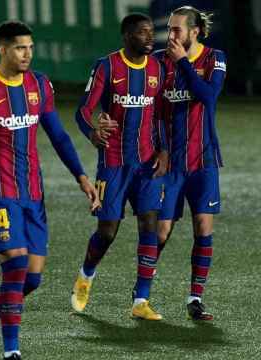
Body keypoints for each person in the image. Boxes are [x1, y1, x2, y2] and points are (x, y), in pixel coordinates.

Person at [0, 21, 99, 360]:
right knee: (15, 267)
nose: (27, 54)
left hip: (33, 192)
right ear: (2, 49)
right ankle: (12, 352)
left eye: (30, 47)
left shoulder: (39, 85)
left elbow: (58, 135)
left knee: (31, 279)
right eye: (19, 48)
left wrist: (81, 177)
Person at [70, 13, 169, 320]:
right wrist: (92, 131)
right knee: (108, 231)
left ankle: (141, 301)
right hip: (113, 163)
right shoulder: (107, 66)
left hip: (147, 162)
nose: (151, 38)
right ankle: (86, 276)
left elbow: (161, 114)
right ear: (127, 37)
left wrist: (164, 151)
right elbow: (83, 109)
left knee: (150, 226)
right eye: (143, 33)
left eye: (152, 32)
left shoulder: (157, 68)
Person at [154, 6, 226, 321]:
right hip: (170, 161)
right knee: (161, 231)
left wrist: (183, 62)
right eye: (169, 29)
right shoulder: (158, 60)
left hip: (204, 159)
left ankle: (195, 298)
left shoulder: (214, 58)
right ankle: (141, 293)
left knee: (203, 227)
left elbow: (208, 96)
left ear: (194, 31)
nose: (171, 36)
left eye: (177, 30)